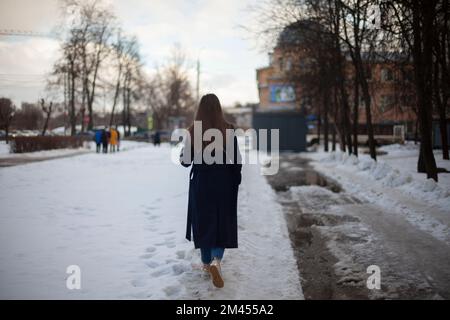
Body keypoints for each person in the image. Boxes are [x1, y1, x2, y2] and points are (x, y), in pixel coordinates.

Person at [180, 93, 242, 288]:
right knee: (221, 222)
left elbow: (185, 161)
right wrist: (233, 179)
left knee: (204, 223)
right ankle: (217, 261)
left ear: (200, 110)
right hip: (223, 182)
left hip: (202, 183)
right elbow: (237, 160)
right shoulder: (229, 130)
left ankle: (207, 263)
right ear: (219, 109)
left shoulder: (192, 131)